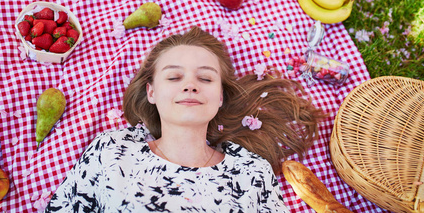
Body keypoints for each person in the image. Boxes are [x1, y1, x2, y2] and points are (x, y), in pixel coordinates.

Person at [45, 26, 325, 212]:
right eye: (174, 77)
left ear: (220, 97)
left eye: (205, 78)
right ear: (151, 92)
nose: (190, 86)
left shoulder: (253, 173)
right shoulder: (112, 150)